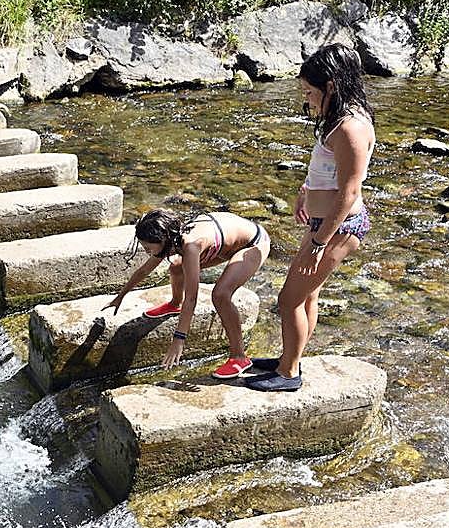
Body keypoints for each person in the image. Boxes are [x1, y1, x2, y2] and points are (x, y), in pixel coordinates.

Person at [246, 43, 375, 392]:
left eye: (309, 91)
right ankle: (292, 356)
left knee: (288, 300)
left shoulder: (349, 127)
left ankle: (288, 374)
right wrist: (307, 190)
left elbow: (349, 193)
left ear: (331, 85)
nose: (306, 99)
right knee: (307, 296)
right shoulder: (340, 116)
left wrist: (319, 242)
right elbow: (328, 170)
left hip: (338, 227)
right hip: (323, 223)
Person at [104, 208, 270, 377]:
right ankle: (175, 304)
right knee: (176, 267)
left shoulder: (190, 245)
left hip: (254, 244)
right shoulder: (170, 238)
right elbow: (144, 270)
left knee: (220, 295)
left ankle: (239, 357)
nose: (148, 252)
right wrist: (120, 296)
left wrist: (179, 339)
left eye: (148, 248)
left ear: (164, 239)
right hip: (226, 244)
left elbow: (192, 298)